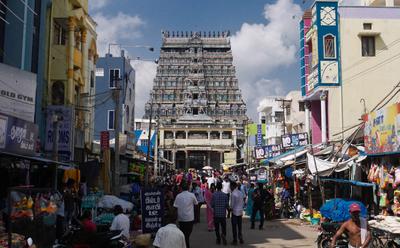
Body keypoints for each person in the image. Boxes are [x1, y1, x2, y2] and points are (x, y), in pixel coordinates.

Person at [173, 181, 198, 248]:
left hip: (181, 218)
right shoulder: (192, 195)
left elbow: (175, 207)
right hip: (190, 218)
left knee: (183, 233)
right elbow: (196, 204)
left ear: (181, 188)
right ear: (188, 188)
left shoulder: (178, 196)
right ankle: (186, 244)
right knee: (187, 233)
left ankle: (184, 244)